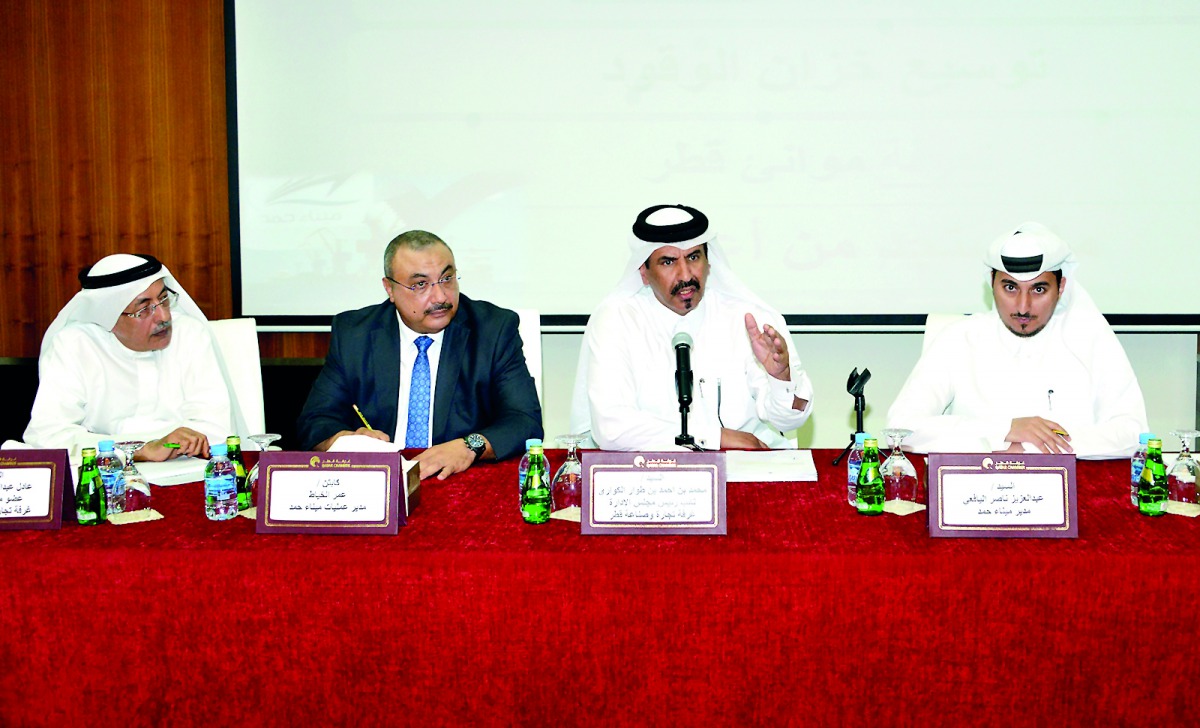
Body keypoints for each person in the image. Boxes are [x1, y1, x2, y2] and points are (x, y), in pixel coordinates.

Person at [886, 222, 1148, 459]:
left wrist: (1032, 446)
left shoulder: (1091, 339)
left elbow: (1132, 432)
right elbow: (900, 429)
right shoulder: (959, 338)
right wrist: (1004, 431)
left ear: (1062, 287)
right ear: (992, 282)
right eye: (1010, 288)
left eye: (1039, 289)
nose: (1023, 307)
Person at [296, 230, 543, 480]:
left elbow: (524, 420)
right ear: (389, 289)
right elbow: (315, 422)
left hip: (462, 479)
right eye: (421, 284)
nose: (440, 296)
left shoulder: (494, 330)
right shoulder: (354, 334)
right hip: (379, 482)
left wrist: (470, 446)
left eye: (447, 279)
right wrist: (344, 440)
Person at [570, 204, 813, 451]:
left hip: (745, 470)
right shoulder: (617, 320)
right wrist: (713, 438)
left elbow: (791, 419)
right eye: (668, 262)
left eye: (694, 257)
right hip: (651, 476)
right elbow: (612, 429)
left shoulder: (749, 320)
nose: (685, 274)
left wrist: (781, 378)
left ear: (709, 263)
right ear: (643, 272)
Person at [23, 253, 239, 462]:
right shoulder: (75, 345)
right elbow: (47, 435)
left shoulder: (190, 334)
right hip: (104, 475)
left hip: (187, 468)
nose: (163, 317)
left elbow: (218, 428)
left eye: (164, 299)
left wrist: (172, 445)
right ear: (108, 317)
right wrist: (141, 450)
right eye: (144, 309)